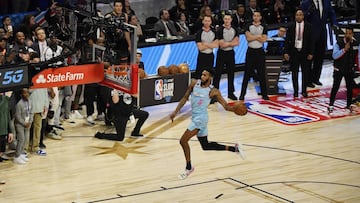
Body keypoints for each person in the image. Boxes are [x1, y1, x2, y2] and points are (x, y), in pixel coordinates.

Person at [169, 68, 245, 180]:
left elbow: (226, 106)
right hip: (195, 117)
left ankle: (188, 167)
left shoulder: (213, 91)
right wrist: (175, 111)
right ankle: (235, 149)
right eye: (202, 74)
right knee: (206, 146)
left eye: (205, 75)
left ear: (210, 77)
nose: (202, 76)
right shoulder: (194, 83)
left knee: (183, 141)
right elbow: (185, 98)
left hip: (201, 119)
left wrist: (235, 109)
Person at [301, 0, 337, 87]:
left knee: (320, 57)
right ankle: (307, 81)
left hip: (322, 33)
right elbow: (302, 17)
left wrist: (334, 24)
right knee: (309, 57)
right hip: (310, 35)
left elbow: (331, 13)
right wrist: (309, 12)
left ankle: (316, 79)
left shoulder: (326, 2)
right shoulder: (306, 3)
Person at [328, 26, 359, 113]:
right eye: (346, 33)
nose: (348, 35)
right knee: (335, 87)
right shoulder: (339, 43)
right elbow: (334, 56)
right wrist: (344, 50)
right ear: (344, 34)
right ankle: (331, 104)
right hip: (339, 69)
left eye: (350, 33)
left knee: (350, 87)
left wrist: (357, 68)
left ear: (352, 34)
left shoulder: (356, 44)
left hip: (349, 69)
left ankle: (348, 104)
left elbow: (358, 56)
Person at [239, 10, 269, 101]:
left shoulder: (264, 26)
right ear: (253, 17)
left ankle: (264, 94)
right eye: (254, 15)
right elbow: (248, 38)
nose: (256, 17)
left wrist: (254, 37)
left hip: (260, 52)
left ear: (260, 17)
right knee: (247, 74)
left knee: (262, 74)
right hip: (250, 52)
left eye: (257, 15)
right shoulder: (248, 25)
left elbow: (264, 40)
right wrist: (258, 36)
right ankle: (242, 94)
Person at [284, 9, 314, 98]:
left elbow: (312, 41)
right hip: (294, 52)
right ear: (295, 16)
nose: (298, 16)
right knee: (294, 73)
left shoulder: (309, 26)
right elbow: (287, 40)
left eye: (300, 15)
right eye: (297, 15)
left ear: (303, 16)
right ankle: (296, 91)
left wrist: (311, 53)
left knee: (305, 73)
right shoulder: (291, 26)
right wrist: (286, 52)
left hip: (305, 53)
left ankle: (304, 90)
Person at [213, 12, 239, 101]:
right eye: (225, 19)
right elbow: (222, 45)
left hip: (231, 53)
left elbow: (237, 43)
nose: (227, 21)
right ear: (223, 20)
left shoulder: (235, 29)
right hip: (221, 53)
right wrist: (231, 43)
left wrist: (228, 43)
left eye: (229, 19)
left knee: (231, 73)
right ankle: (215, 94)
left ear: (231, 20)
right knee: (218, 74)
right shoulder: (220, 30)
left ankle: (231, 93)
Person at [194, 15, 218, 79]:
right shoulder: (199, 33)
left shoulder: (214, 32)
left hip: (210, 56)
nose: (207, 22)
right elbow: (200, 48)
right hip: (202, 56)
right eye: (206, 21)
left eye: (208, 21)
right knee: (199, 75)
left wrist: (205, 44)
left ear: (211, 22)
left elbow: (216, 45)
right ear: (203, 22)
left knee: (209, 75)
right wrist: (211, 44)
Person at [14, 88, 32, 164]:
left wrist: (30, 121)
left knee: (25, 140)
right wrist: (25, 124)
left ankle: (21, 154)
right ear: (21, 95)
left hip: (27, 124)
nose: (26, 94)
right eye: (24, 93)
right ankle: (16, 157)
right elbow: (18, 117)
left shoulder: (30, 102)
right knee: (20, 140)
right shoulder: (19, 104)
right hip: (20, 124)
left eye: (27, 92)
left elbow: (31, 112)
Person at [0, 92, 14, 162]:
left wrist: (10, 131)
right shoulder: (5, 99)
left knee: (2, 147)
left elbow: (8, 116)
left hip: (4, 129)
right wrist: (6, 98)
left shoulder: (5, 99)